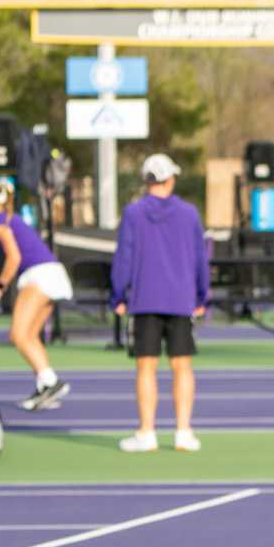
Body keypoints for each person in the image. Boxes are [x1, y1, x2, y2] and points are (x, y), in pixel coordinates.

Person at [108, 153, 210, 453]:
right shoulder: (189, 213)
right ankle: (183, 431)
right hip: (180, 299)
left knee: (146, 368)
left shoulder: (133, 213)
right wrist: (203, 295)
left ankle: (147, 431)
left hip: (145, 299)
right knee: (182, 366)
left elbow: (123, 255)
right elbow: (199, 257)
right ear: (171, 179)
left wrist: (118, 294)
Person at [0, 177, 72, 410]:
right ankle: (47, 384)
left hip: (40, 276)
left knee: (18, 334)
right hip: (52, 274)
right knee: (30, 335)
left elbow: (14, 258)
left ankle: (50, 382)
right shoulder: (10, 219)